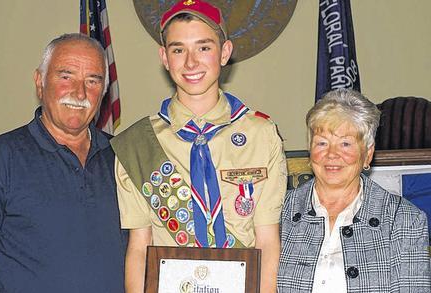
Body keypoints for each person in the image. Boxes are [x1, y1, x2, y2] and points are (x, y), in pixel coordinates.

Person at [111, 1, 287, 292]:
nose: (191, 63)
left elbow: (268, 241)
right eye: (178, 50)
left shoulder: (261, 135)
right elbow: (139, 247)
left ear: (225, 52)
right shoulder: (139, 144)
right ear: (164, 57)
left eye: (204, 47)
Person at [0, 33, 125, 293]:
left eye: (93, 81)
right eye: (66, 77)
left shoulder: (123, 157)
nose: (79, 92)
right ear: (40, 82)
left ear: (104, 91)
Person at [277, 88, 431, 292]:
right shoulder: (279, 212)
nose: (331, 154)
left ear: (367, 154)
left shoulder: (405, 220)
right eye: (322, 143)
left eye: (345, 144)